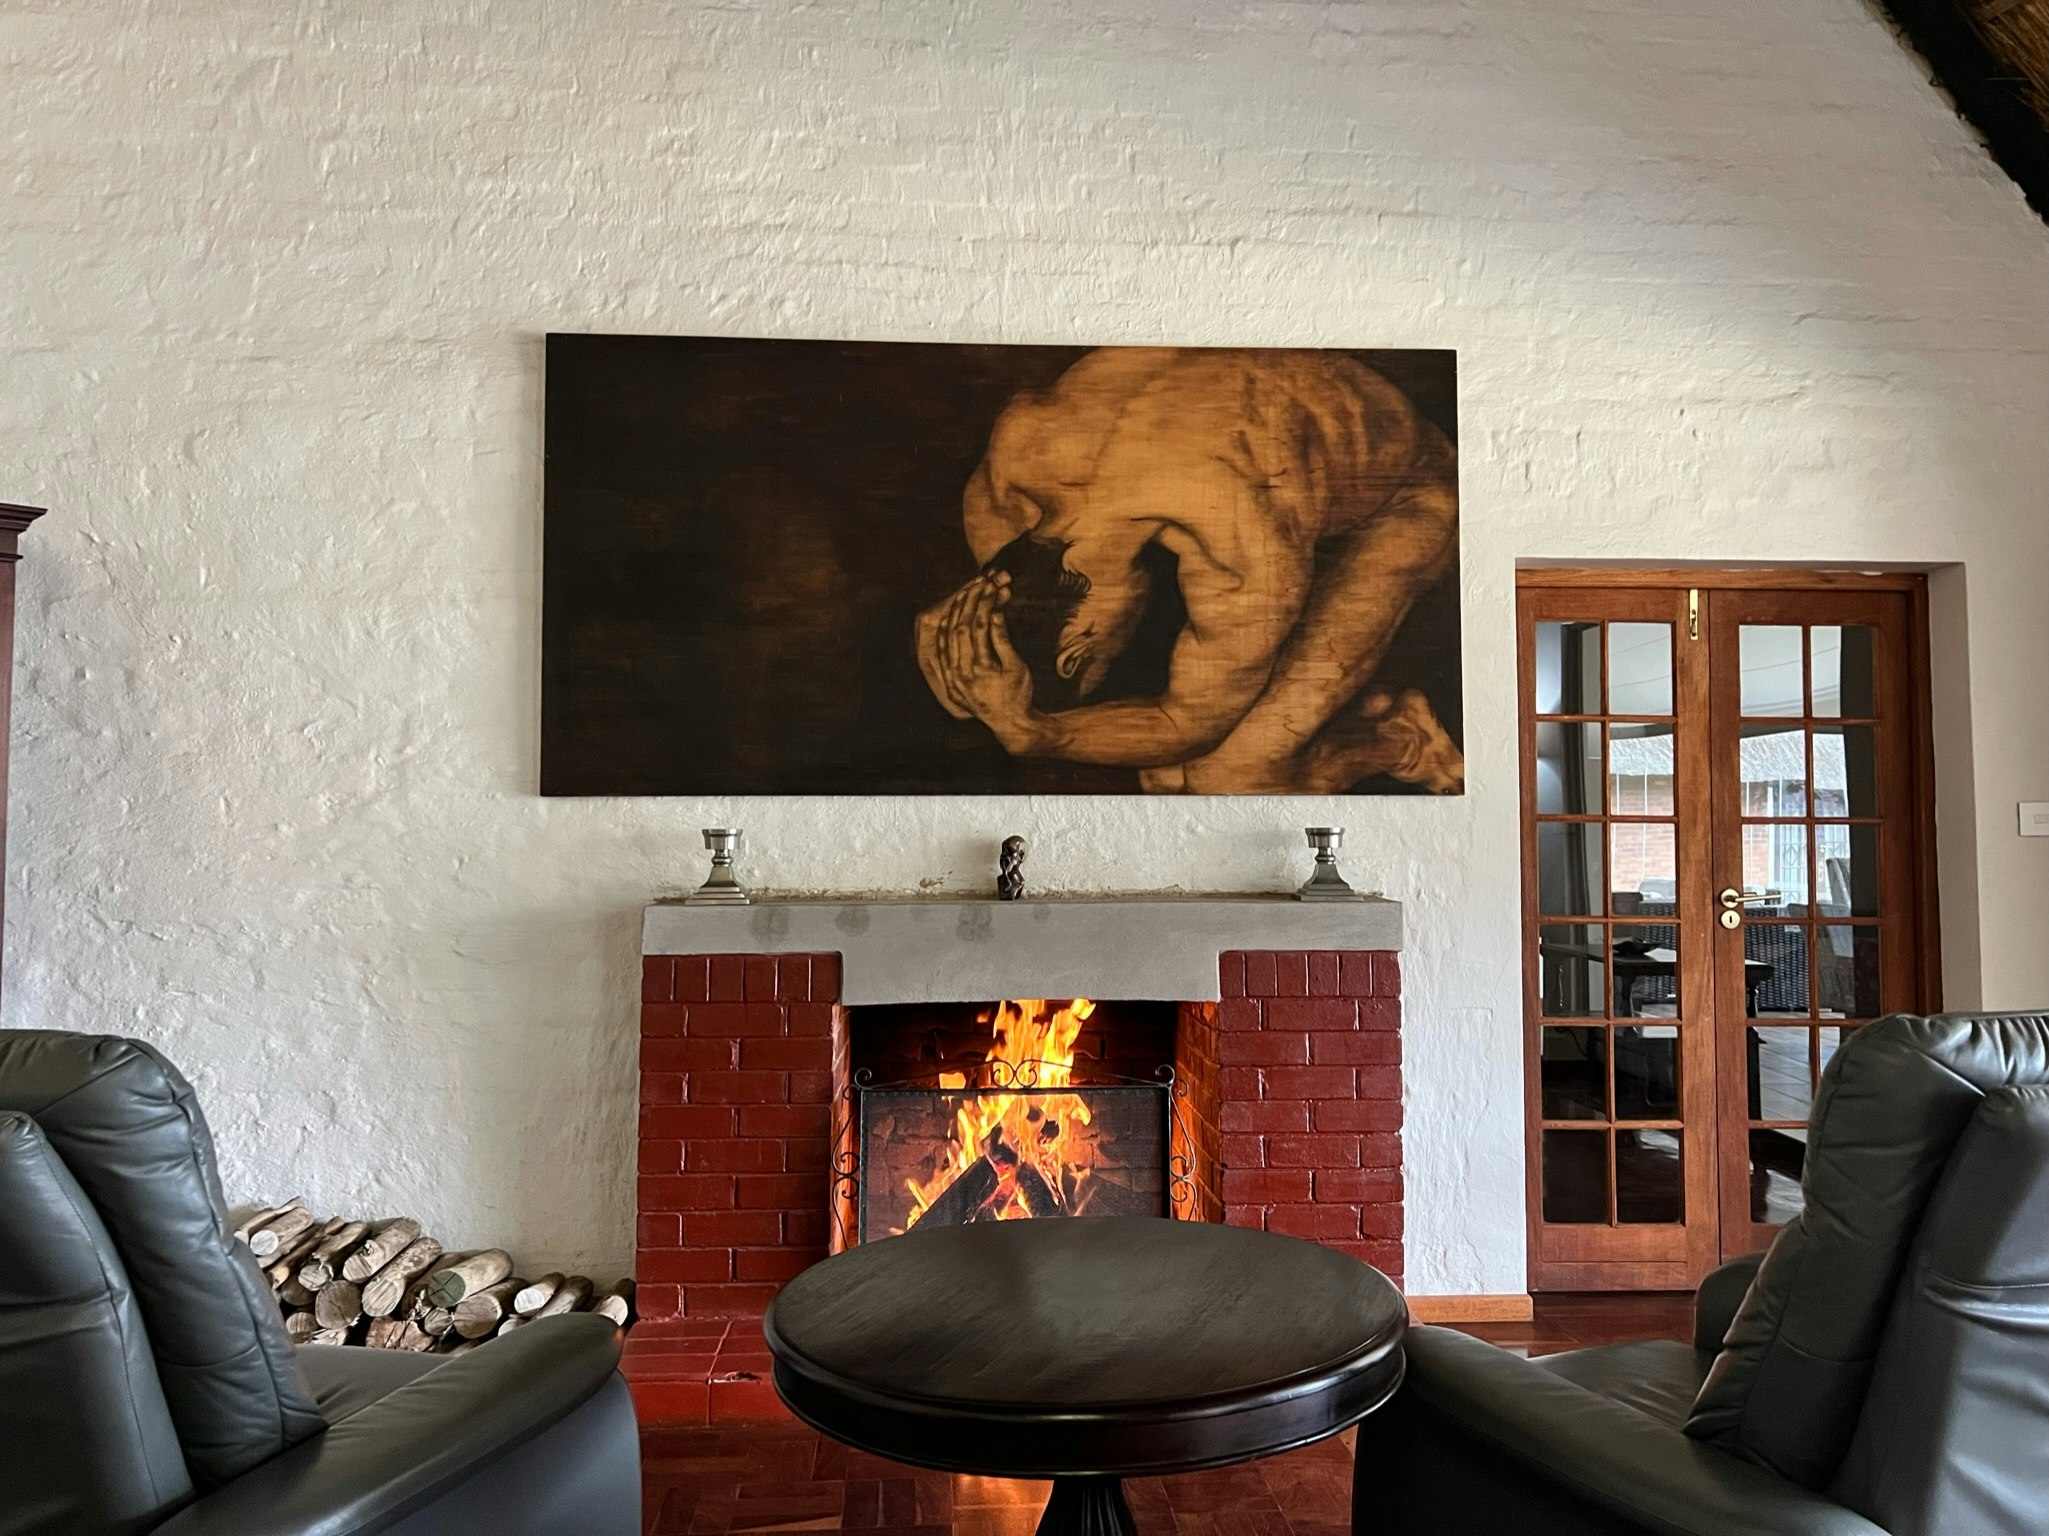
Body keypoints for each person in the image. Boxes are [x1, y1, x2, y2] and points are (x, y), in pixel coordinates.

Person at [914, 347, 1464, 793]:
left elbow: (1188, 725)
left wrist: (1034, 734)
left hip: (1409, 500)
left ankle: (1401, 741)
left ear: (1075, 649)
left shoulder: (1236, 553)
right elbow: (998, 586)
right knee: (1163, 766)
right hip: (1294, 462)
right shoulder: (1010, 473)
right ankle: (1348, 706)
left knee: (1230, 778)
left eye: (1102, 664)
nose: (1118, 655)